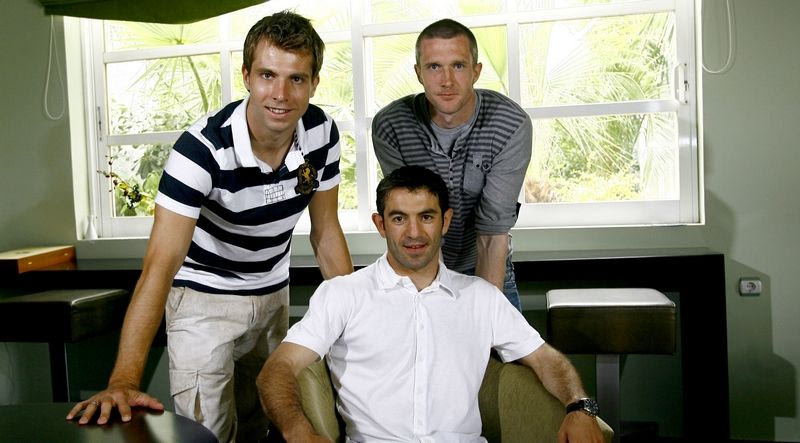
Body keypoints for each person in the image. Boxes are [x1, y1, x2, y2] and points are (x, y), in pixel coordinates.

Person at [66, 11, 353, 442]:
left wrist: (359, 324)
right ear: (246, 76)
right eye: (267, 75)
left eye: (296, 79)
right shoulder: (200, 151)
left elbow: (326, 232)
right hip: (203, 300)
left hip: (273, 293)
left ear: (314, 83)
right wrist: (124, 380)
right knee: (208, 434)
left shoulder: (322, 133)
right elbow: (160, 266)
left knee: (264, 426)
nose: (280, 94)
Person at [257, 165, 603, 443]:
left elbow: (545, 358)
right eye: (399, 218)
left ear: (445, 221)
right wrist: (299, 432)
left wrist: (581, 408)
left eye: (426, 217)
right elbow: (277, 369)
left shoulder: (480, 297)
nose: (414, 233)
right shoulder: (343, 294)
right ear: (380, 224)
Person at [372, 19, 532, 312]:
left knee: (494, 337)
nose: (446, 81)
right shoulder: (391, 125)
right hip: (417, 268)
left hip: (487, 264)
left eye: (458, 65)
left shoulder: (510, 123)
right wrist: (441, 309)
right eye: (434, 67)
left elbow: (492, 233)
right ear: (419, 73)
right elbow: (413, 217)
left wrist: (483, 319)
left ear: (476, 71)